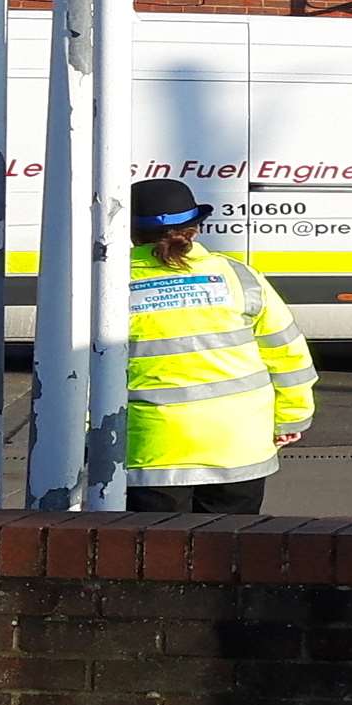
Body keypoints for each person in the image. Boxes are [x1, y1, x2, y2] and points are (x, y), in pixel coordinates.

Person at [125, 178, 316, 514]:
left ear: (130, 230)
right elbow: (287, 353)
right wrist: (291, 418)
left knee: (158, 560)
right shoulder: (240, 277)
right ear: (195, 228)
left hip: (151, 449)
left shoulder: (110, 286)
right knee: (228, 556)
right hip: (240, 444)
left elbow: (82, 372)